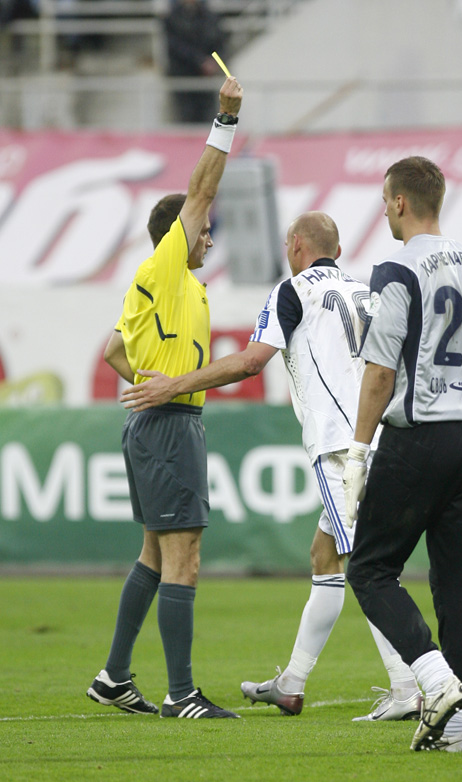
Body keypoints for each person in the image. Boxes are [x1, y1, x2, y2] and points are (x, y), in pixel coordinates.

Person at [120, 210, 423, 722]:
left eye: (287, 244)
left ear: (297, 244)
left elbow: (250, 361)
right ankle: (291, 684)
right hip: (384, 439)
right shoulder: (365, 292)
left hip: (340, 446)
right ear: (338, 251)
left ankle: (407, 686)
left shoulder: (293, 291)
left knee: (368, 567)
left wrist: (175, 384)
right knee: (325, 556)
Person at [343, 156, 462, 752]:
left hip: (419, 435)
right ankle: (457, 730)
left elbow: (380, 368)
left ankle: (435, 680)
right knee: (458, 587)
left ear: (399, 202)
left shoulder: (397, 268)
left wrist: (358, 451)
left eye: (384, 201)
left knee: (370, 569)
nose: (383, 210)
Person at [86, 74, 244, 720]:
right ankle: (182, 694)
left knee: (155, 553)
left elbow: (110, 349)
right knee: (186, 557)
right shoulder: (167, 267)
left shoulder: (165, 286)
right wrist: (225, 120)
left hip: (161, 422)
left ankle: (114, 677)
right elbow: (202, 191)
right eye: (203, 232)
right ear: (180, 232)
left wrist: (143, 382)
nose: (209, 238)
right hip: (170, 425)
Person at [163, 0, 227, 124]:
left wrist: (214, 63)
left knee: (208, 119)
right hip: (183, 79)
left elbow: (219, 44)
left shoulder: (210, 17)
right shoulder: (172, 18)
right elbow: (176, 47)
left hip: (206, 80)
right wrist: (200, 61)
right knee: (186, 120)